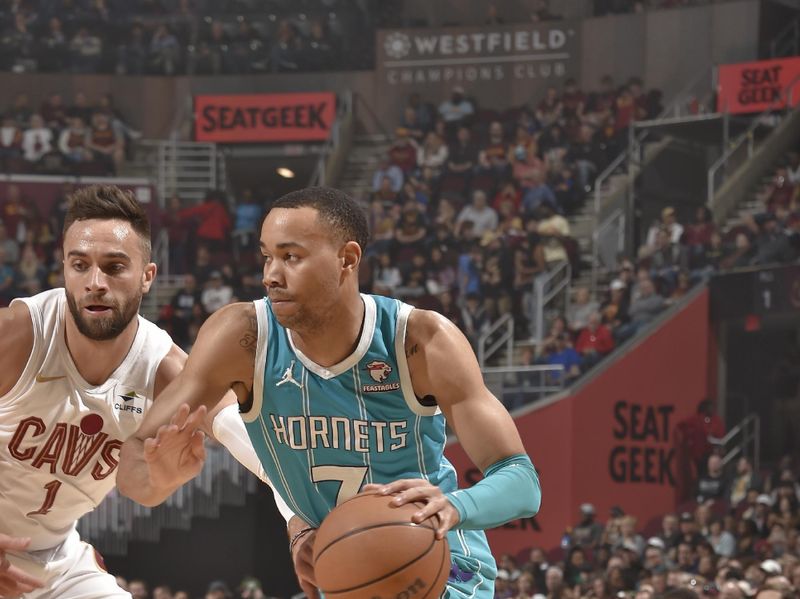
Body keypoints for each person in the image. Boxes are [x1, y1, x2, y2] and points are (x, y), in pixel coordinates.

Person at [118, 186, 542, 599]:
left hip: (439, 567)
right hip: (345, 571)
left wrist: (453, 508)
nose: (271, 275)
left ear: (348, 258)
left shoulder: (421, 340)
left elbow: (522, 482)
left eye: (291, 257)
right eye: (267, 256)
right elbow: (136, 460)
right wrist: (157, 479)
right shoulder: (242, 337)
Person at [0, 185, 288, 599]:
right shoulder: (17, 335)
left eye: (114, 267)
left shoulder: (165, 367)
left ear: (148, 276)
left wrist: (305, 519)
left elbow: (260, 447)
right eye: (80, 265)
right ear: (64, 267)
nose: (94, 283)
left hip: (56, 560)